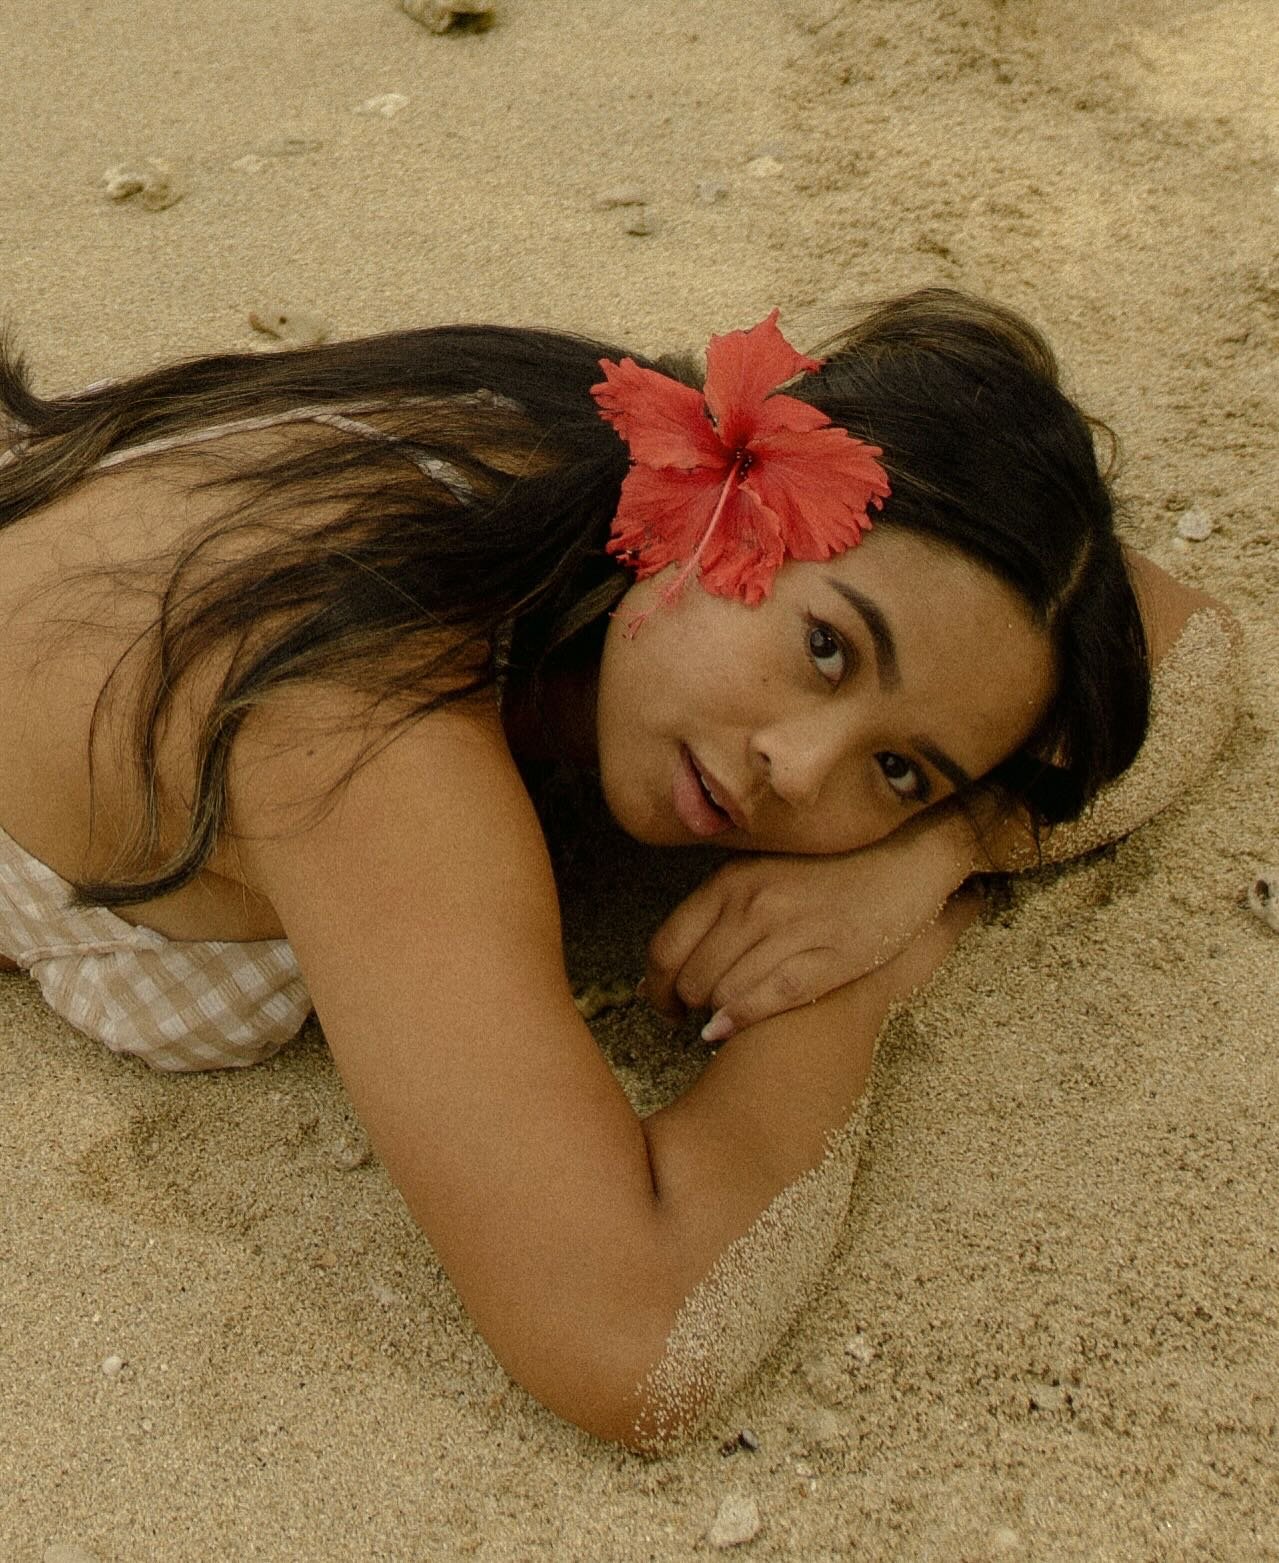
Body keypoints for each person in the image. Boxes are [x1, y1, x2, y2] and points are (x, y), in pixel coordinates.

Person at [0, 290, 1237, 1446]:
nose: (801, 773)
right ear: (714, 496)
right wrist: (850, 983)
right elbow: (634, 1346)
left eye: (900, 770)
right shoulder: (365, 737)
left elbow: (1185, 632)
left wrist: (929, 859)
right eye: (824, 648)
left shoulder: (614, 474)